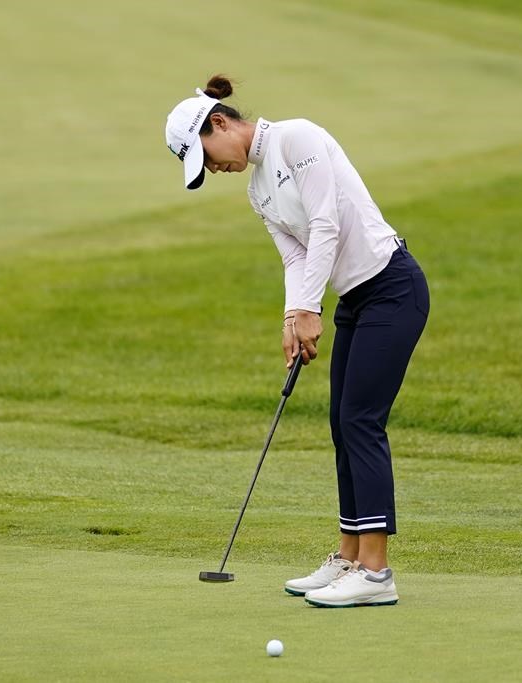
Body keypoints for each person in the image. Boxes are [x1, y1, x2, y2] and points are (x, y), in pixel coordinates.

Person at [165, 75, 429, 607]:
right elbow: (295, 257)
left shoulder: (298, 138)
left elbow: (326, 226)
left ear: (219, 123)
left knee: (360, 421)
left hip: (393, 288)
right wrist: (293, 316)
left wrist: (310, 309)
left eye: (207, 156)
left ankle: (376, 575)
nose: (212, 168)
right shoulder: (257, 190)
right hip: (356, 300)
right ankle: (351, 557)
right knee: (341, 422)